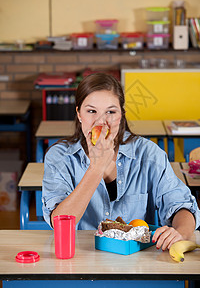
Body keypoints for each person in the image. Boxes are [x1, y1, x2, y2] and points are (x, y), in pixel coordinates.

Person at [42, 73, 200, 251]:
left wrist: (182, 232)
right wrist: (96, 168)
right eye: (91, 111)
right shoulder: (59, 157)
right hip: (81, 257)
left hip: (136, 262)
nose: (101, 121)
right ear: (79, 114)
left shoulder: (149, 154)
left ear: (121, 115)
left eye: (111, 112)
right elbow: (60, 222)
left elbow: (181, 205)